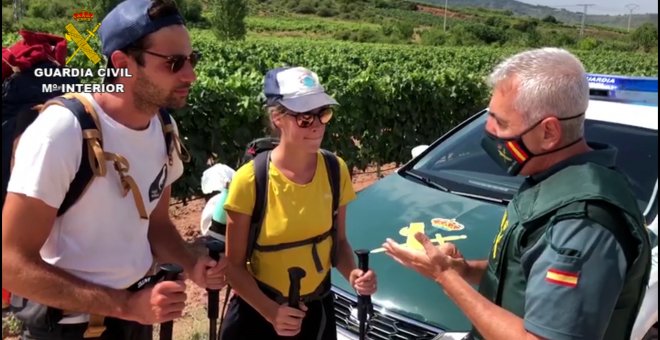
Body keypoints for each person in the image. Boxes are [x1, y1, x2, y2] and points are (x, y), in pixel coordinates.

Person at [383, 47, 651, 340]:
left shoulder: (582, 223)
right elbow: (524, 275)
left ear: (549, 132)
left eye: (501, 122)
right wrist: (462, 269)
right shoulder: (549, 179)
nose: (489, 129)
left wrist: (443, 276)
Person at [1, 0, 228, 339]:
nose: (190, 74)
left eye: (191, 60)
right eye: (174, 63)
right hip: (67, 329)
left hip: (134, 321)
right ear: (122, 64)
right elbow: (10, 264)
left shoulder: (163, 127)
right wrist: (125, 304)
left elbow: (157, 224)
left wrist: (192, 264)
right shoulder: (62, 132)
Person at [220, 66, 378, 339]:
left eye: (323, 113)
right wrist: (272, 312)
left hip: (317, 311)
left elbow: (338, 243)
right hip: (259, 314)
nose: (317, 125)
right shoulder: (250, 180)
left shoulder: (335, 169)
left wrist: (352, 274)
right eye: (305, 117)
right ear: (277, 117)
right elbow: (233, 267)